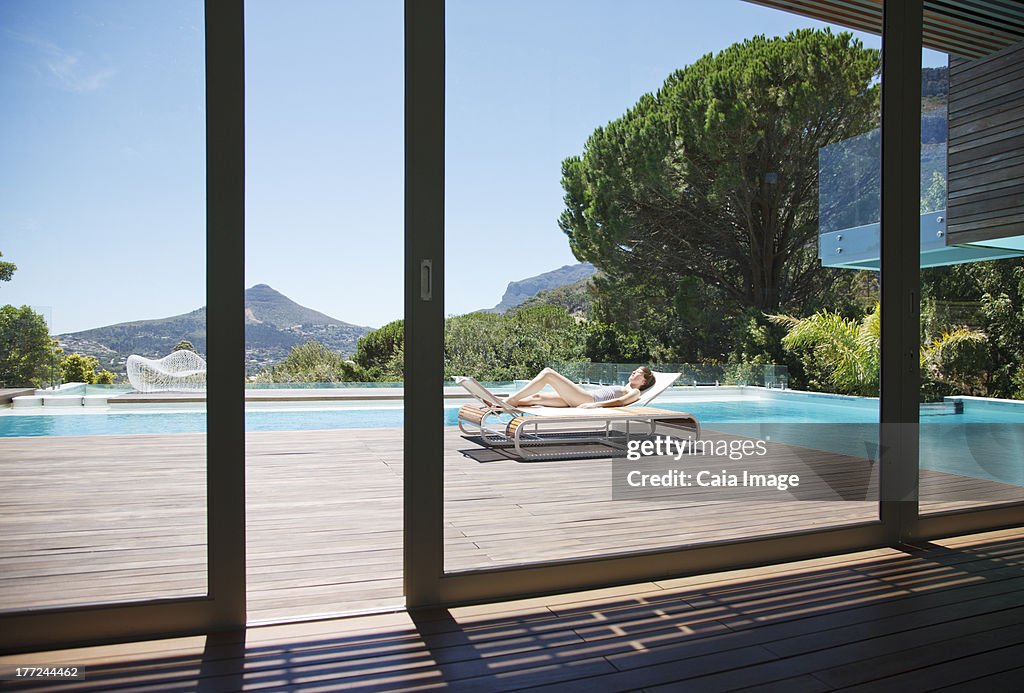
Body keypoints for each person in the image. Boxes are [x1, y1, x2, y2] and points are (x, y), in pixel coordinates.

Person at [505, 366, 656, 409]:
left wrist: (594, 404)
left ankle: (510, 400)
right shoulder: (627, 386)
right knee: (536, 398)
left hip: (587, 399)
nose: (633, 372)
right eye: (634, 370)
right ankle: (501, 405)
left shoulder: (634, 391)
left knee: (548, 373)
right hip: (581, 398)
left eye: (638, 373)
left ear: (643, 382)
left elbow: (621, 402)